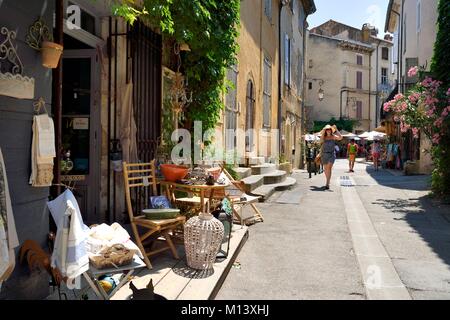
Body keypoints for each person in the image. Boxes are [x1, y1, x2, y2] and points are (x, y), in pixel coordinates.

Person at [320, 124, 342, 190]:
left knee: (329, 168)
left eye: (329, 129)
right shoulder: (323, 137)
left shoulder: (333, 136)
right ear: (325, 131)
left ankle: (327, 183)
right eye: (327, 130)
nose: (328, 131)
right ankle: (328, 180)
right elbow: (320, 141)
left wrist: (337, 130)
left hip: (331, 154)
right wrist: (323, 132)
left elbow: (340, 137)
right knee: (325, 169)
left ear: (331, 130)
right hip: (324, 154)